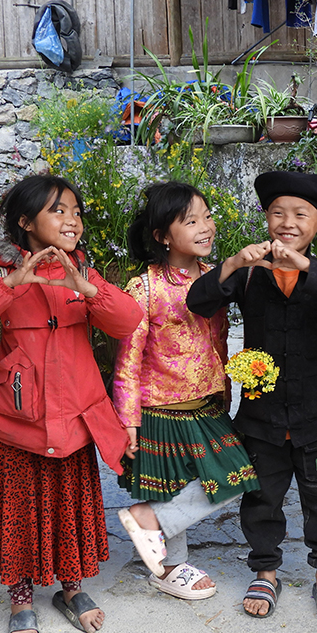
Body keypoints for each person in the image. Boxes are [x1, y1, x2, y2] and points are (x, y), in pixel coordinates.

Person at [0, 175, 142, 633]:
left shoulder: (83, 273)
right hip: (24, 419)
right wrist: (9, 287)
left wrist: (90, 292)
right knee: (22, 510)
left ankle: (72, 590)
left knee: (70, 507)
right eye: (58, 211)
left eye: (75, 211)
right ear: (25, 222)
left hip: (75, 416)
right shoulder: (0, 273)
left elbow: (129, 320)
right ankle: (20, 599)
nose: (71, 220)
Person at [187, 171, 317, 619]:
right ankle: (265, 570)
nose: (287, 222)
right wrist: (230, 264)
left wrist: (306, 267)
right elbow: (198, 302)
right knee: (261, 497)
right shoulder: (250, 274)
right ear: (265, 217)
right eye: (277, 213)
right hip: (260, 418)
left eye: (300, 214)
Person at [112, 181, 260, 600]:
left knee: (235, 476)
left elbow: (216, 343)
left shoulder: (218, 282)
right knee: (167, 488)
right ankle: (168, 569)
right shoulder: (145, 288)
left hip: (206, 404)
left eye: (208, 216)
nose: (205, 227)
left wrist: (225, 391)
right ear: (162, 236)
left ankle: (149, 522)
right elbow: (128, 361)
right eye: (191, 220)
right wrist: (129, 423)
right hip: (160, 408)